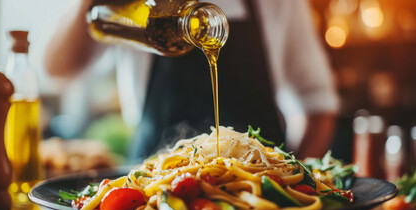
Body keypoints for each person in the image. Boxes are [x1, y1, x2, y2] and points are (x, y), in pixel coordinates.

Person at [45, 0, 339, 163]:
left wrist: (292, 184)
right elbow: (56, 68)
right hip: (152, 188)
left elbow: (318, 103)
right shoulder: (138, 7)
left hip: (260, 200)